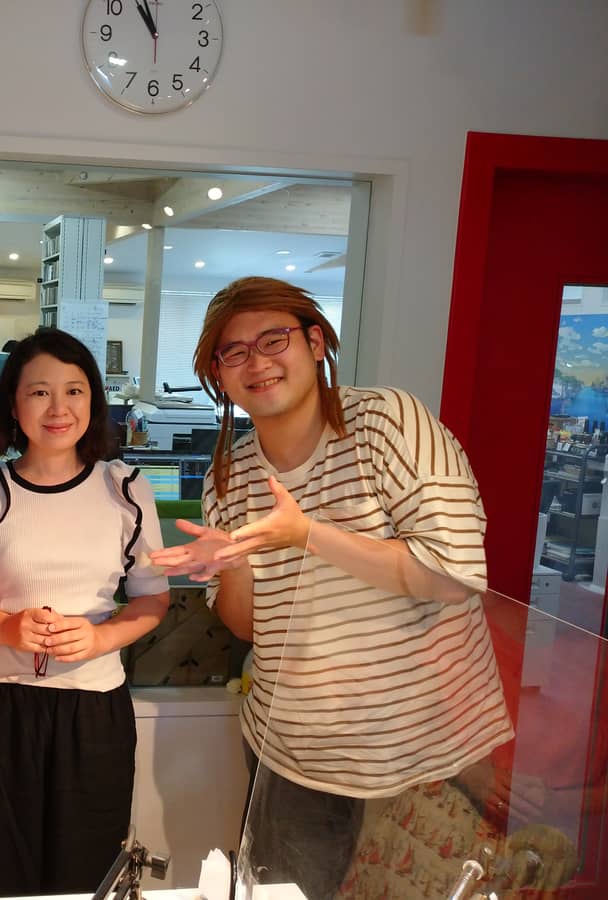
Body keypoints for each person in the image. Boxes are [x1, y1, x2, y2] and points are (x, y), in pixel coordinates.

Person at [150, 276, 511, 899]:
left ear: (316, 343)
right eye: (234, 352)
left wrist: (307, 534)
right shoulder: (229, 476)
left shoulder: (388, 423)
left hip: (426, 755)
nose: (258, 362)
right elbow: (247, 626)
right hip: (293, 757)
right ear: (218, 374)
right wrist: (234, 561)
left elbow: (453, 577)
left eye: (275, 339)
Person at [0, 328, 170, 898]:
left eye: (75, 390)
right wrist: (4, 627)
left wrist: (99, 639)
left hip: (95, 713)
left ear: (94, 400)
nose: (59, 408)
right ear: (13, 405)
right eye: (39, 392)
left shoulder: (126, 489)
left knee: (87, 875)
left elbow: (151, 599)